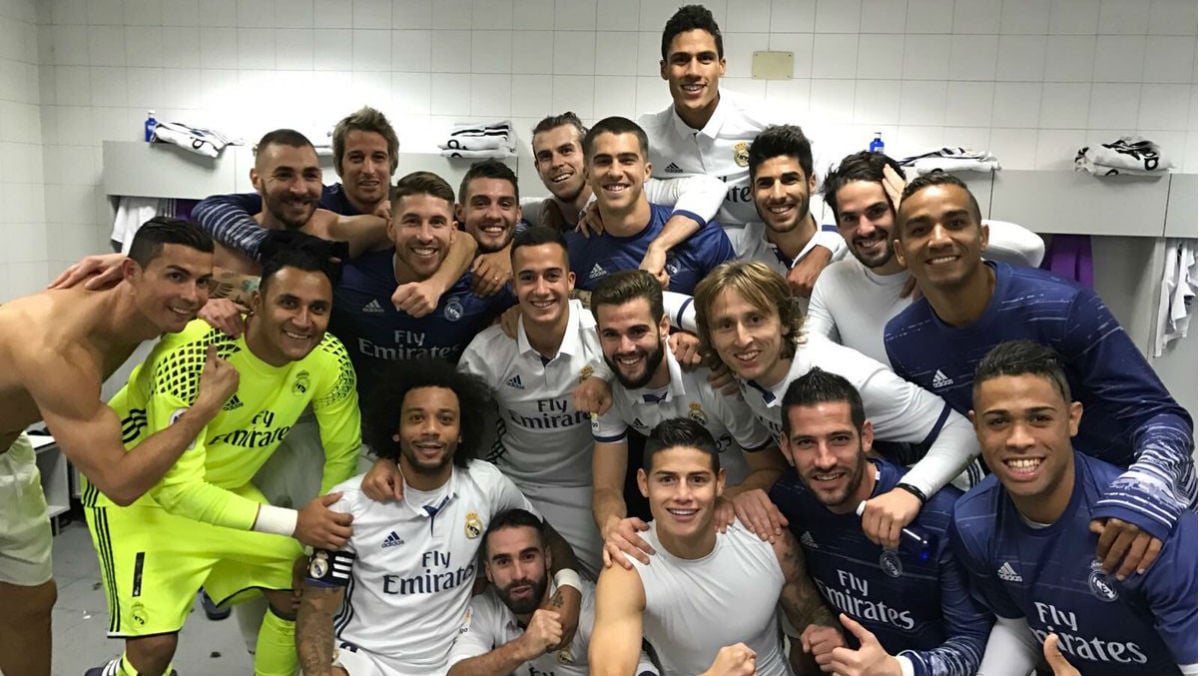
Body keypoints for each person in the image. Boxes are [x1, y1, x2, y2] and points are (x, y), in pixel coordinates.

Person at [886, 172, 1195, 578]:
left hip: (1126, 508)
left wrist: (1147, 489)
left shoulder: (1063, 307)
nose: (939, 238)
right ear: (901, 252)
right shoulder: (906, 340)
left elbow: (1160, 415)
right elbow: (954, 434)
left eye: (955, 223)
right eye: (920, 229)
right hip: (1033, 515)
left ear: (982, 236)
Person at [82, 247, 363, 676]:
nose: (304, 321)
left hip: (220, 493)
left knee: (296, 589)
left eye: (318, 309)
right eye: (288, 303)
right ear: (256, 302)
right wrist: (295, 525)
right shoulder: (195, 351)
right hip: (141, 502)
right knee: (155, 649)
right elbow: (176, 489)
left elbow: (342, 452)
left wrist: (320, 532)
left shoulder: (330, 358)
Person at [0, 219, 236, 676]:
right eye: (175, 276)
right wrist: (201, 411)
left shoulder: (144, 298)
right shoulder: (56, 349)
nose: (192, 295)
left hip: (10, 453)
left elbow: (264, 290)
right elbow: (119, 484)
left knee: (31, 602)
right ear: (133, 274)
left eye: (201, 280)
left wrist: (189, 281)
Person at [296, 359, 583, 676]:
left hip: (452, 662)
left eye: (445, 419)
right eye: (416, 418)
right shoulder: (352, 505)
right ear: (396, 430)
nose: (431, 429)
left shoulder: (486, 485)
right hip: (365, 659)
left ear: (461, 433)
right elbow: (317, 609)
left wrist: (570, 590)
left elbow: (549, 539)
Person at [363, 226, 609, 575]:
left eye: (551, 276)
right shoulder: (489, 350)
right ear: (513, 286)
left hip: (585, 487)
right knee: (465, 574)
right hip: (512, 482)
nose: (541, 290)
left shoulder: (603, 335)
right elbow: (444, 419)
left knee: (600, 579)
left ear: (570, 281)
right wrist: (392, 459)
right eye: (527, 278)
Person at [692, 260, 981, 548]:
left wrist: (910, 490)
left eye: (756, 319)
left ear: (782, 321)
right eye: (726, 325)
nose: (742, 339)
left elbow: (965, 431)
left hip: (941, 493)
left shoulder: (845, 374)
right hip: (853, 490)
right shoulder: (745, 368)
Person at [950, 340, 1197, 675]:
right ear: (976, 426)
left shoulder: (1150, 530)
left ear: (1072, 419)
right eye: (998, 422)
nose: (1019, 439)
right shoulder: (973, 521)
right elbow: (1018, 630)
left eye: (1039, 418)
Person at [769, 368, 990, 676]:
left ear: (866, 437)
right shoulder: (786, 501)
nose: (825, 460)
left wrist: (899, 669)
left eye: (839, 439)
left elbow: (974, 644)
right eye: (806, 443)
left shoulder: (941, 518)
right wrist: (824, 628)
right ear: (785, 447)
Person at [589, 418, 836, 676]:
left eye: (697, 479)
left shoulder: (766, 538)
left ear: (719, 483)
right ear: (643, 483)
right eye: (667, 480)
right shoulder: (627, 569)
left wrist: (828, 636)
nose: (683, 495)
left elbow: (812, 617)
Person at [638, 4, 843, 295]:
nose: (693, 72)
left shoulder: (761, 121)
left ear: (722, 65)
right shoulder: (648, 137)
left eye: (705, 59)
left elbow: (840, 183)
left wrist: (824, 246)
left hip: (762, 262)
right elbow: (614, 184)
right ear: (664, 69)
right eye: (681, 60)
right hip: (684, 266)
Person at [588, 269, 787, 564]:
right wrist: (612, 526)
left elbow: (772, 470)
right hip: (676, 526)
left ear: (664, 326)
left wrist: (728, 497)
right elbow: (606, 488)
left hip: (740, 515)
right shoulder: (606, 392)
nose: (625, 347)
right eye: (611, 335)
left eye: (638, 331)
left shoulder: (715, 381)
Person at [807, 150, 1044, 365]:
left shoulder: (947, 267)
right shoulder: (835, 279)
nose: (865, 228)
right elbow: (811, 355)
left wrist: (917, 210)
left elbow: (1030, 250)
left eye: (877, 211)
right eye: (850, 218)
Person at [330, 170, 515, 397]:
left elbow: (550, 298)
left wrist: (519, 313)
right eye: (412, 221)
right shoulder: (350, 283)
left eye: (437, 222)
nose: (425, 235)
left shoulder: (480, 285)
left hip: (446, 424)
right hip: (366, 423)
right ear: (391, 229)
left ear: (454, 232)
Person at [446, 508, 659, 676]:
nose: (518, 574)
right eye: (503, 562)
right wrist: (522, 648)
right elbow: (457, 672)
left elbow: (638, 667)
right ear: (488, 571)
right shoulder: (485, 607)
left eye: (528, 556)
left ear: (547, 558)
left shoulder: (588, 604)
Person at [526, 111, 726, 286]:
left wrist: (659, 246)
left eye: (626, 160)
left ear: (647, 171)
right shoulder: (571, 250)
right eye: (603, 161)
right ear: (588, 172)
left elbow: (710, 188)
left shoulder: (701, 235)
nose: (615, 172)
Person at [740, 124, 846, 303]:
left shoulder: (847, 250)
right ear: (752, 190)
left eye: (789, 180)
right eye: (765, 183)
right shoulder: (742, 251)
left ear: (812, 183)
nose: (778, 195)